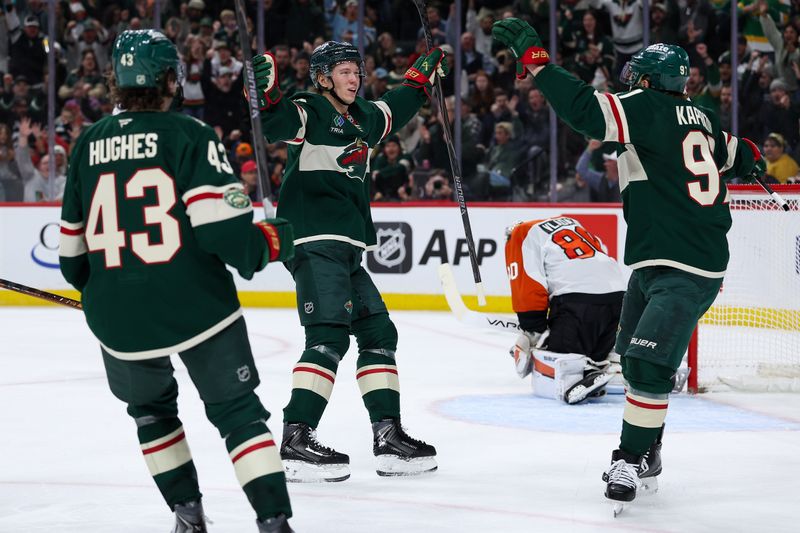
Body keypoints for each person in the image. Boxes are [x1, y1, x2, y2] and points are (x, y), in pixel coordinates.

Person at [492, 19, 765, 510]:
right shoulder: (701, 117)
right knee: (628, 359)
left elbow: (583, 110)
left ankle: (630, 458)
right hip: (657, 263)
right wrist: (752, 157)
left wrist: (537, 60)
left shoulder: (644, 106)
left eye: (637, 74)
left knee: (644, 364)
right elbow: (737, 152)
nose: (630, 81)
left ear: (649, 79)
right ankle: (650, 450)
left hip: (684, 266)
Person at [58, 30, 295, 533]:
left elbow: (72, 260)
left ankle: (188, 517)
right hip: (196, 306)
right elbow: (226, 237)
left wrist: (109, 294)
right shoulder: (191, 135)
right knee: (238, 414)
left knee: (151, 414)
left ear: (116, 81)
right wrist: (270, 241)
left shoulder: (86, 144)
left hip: (118, 320)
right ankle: (273, 521)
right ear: (171, 80)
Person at [250, 40, 447, 482]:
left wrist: (420, 81)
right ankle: (296, 438)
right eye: (343, 71)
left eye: (356, 71)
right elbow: (279, 122)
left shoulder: (364, 118)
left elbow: (395, 107)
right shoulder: (310, 109)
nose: (354, 78)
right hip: (314, 240)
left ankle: (388, 436)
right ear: (323, 78)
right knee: (328, 338)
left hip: (347, 248)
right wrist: (266, 97)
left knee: (378, 332)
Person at [505, 216, 627, 404]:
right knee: (594, 350)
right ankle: (607, 363)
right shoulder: (569, 222)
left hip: (578, 302)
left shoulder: (519, 235)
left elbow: (528, 283)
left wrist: (533, 327)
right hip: (618, 298)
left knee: (559, 361)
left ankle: (577, 374)